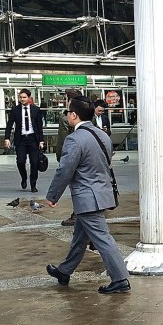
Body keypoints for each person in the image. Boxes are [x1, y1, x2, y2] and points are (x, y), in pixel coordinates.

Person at [45, 96, 131, 294]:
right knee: (80, 237)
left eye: (68, 111)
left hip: (87, 197)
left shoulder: (74, 139)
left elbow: (65, 170)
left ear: (74, 115)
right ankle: (64, 271)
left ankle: (120, 279)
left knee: (102, 239)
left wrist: (53, 196)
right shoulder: (103, 136)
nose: (67, 115)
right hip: (102, 193)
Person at [3, 88, 45, 192]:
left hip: (33, 139)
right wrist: (7, 138)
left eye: (24, 97)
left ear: (29, 98)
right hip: (21, 139)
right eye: (20, 97)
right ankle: (24, 177)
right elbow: (9, 125)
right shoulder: (15, 110)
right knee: (21, 161)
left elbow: (39, 126)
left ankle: (33, 184)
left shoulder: (36, 110)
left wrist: (41, 140)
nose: (22, 99)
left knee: (34, 163)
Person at [55, 88, 84, 227]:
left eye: (66, 99)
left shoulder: (66, 117)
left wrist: (60, 157)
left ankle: (77, 214)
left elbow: (63, 139)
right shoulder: (87, 114)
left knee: (75, 187)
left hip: (72, 156)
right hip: (88, 156)